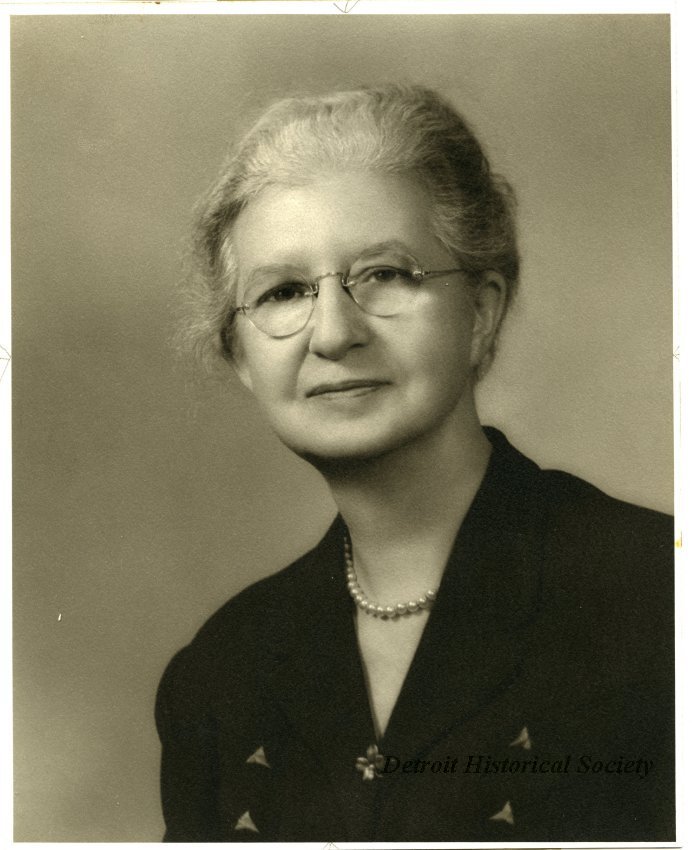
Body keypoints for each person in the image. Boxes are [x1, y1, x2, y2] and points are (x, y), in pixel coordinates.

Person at [155, 84, 674, 842]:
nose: (332, 332)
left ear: (483, 311)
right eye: (284, 291)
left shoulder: (658, 599)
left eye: (386, 275)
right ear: (240, 354)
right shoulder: (220, 674)